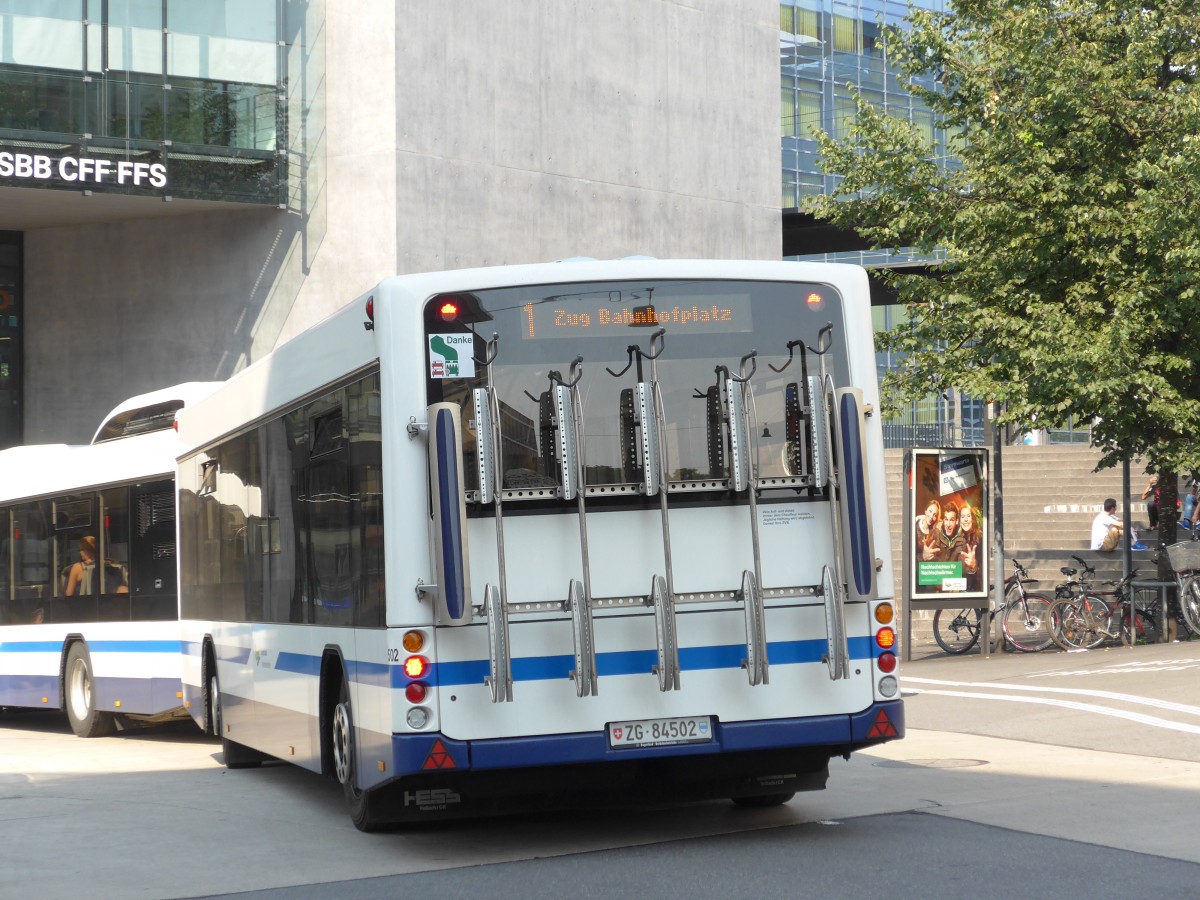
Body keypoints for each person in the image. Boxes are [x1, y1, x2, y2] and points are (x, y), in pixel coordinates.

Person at [958, 503, 982, 592]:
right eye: (963, 516)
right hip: (963, 587)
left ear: (972, 518)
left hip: (976, 590)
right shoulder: (960, 538)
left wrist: (974, 565)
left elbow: (983, 567)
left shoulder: (979, 537)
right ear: (959, 520)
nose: (965, 519)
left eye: (968, 516)